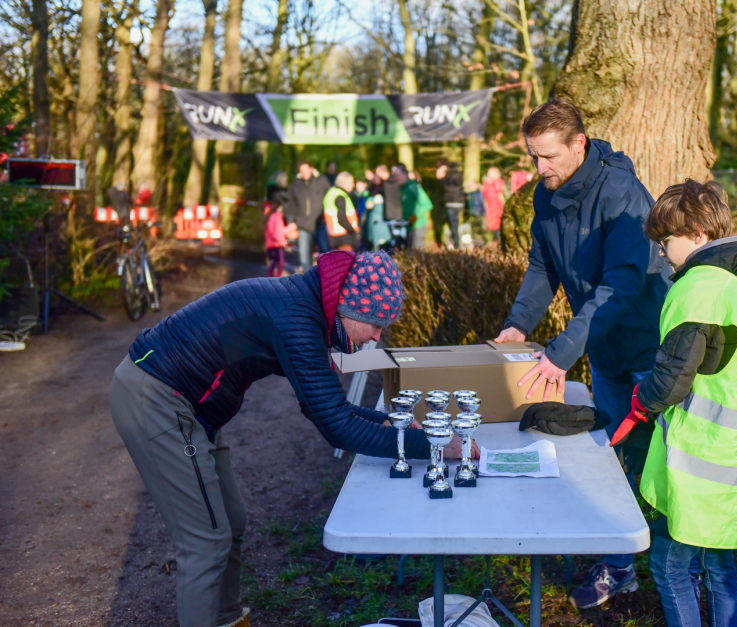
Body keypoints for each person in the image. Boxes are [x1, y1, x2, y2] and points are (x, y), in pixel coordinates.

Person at [110, 250, 476, 627]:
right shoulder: (297, 320)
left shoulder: (308, 307)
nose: (378, 335)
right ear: (348, 310)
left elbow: (322, 405)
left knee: (231, 521)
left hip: (190, 409)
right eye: (374, 324)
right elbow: (337, 427)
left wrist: (391, 424)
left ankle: (227, 619)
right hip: (157, 398)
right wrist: (431, 445)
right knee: (205, 542)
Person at [493, 98, 670, 609]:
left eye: (548, 156)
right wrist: (517, 324)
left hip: (648, 348)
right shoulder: (546, 196)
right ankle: (619, 568)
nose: (539, 168)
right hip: (605, 351)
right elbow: (542, 266)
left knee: (653, 462)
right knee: (608, 460)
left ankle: (676, 568)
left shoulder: (623, 195)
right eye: (533, 157)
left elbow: (622, 285)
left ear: (579, 143)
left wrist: (561, 352)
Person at [611, 178, 737, 627]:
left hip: (699, 462)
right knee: (719, 567)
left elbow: (673, 379)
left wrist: (641, 399)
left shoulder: (697, 288)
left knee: (669, 568)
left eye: (665, 241)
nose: (660, 252)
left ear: (698, 235)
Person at [284, 160, 330, 273]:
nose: (304, 173)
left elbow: (329, 197)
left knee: (324, 250)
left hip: (319, 222)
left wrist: (327, 215)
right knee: (304, 255)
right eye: (302, 171)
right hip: (302, 224)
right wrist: (291, 220)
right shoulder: (296, 184)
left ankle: (326, 276)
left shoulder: (321, 180)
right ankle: (307, 279)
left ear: (311, 168)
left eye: (306, 169)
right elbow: (290, 203)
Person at [395, 165, 433, 249]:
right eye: (394, 176)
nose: (395, 178)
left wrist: (415, 216)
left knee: (415, 256)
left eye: (397, 176)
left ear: (405, 175)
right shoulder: (402, 189)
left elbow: (427, 204)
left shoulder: (413, 187)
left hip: (418, 226)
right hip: (408, 227)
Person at [323, 172, 361, 251]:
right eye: (351, 182)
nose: (353, 185)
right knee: (346, 261)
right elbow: (341, 217)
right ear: (344, 183)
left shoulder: (331, 193)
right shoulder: (340, 195)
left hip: (334, 235)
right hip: (344, 237)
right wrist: (352, 230)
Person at [436, 160, 465, 248]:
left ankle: (456, 245)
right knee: (455, 224)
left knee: (453, 225)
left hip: (451, 202)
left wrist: (441, 174)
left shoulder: (448, 177)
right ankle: (457, 243)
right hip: (460, 202)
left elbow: (442, 185)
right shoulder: (460, 175)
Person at [264, 201, 287, 277]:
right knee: (279, 262)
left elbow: (278, 230)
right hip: (277, 244)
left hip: (272, 244)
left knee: (273, 263)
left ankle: (272, 278)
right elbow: (275, 232)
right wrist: (282, 241)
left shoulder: (273, 217)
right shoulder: (276, 217)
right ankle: (276, 278)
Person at [482, 167, 506, 239]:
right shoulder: (487, 183)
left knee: (497, 223)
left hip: (496, 206)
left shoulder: (498, 182)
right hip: (489, 206)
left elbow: (500, 193)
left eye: (490, 173)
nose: (488, 175)